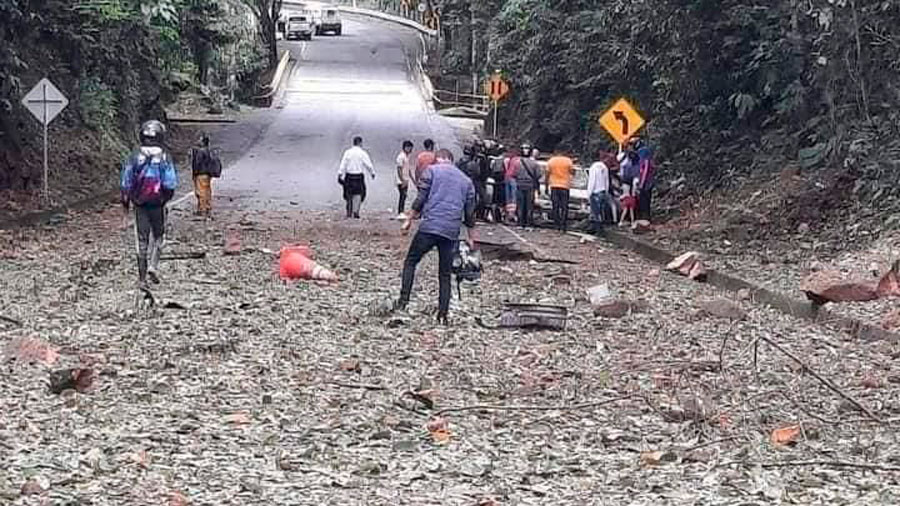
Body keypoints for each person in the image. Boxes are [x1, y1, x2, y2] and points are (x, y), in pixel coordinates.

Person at [397, 149, 476, 324]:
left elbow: (421, 198)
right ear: (451, 160)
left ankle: (403, 301)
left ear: (439, 159)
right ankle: (443, 313)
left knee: (411, 261)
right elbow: (470, 213)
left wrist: (409, 219)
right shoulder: (466, 181)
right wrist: (471, 238)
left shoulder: (431, 171)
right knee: (445, 273)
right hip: (450, 231)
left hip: (430, 226)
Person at [120, 120, 178, 289]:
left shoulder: (134, 155)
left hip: (140, 204)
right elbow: (170, 183)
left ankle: (142, 278)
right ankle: (153, 265)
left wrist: (126, 204)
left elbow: (126, 182)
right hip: (158, 204)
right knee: (159, 237)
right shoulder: (165, 157)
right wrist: (165, 199)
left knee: (142, 239)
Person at [338, 136, 376, 219]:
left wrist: (340, 173)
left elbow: (343, 163)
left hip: (349, 176)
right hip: (359, 176)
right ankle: (356, 211)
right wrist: (372, 173)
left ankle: (349, 211)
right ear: (360, 143)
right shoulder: (363, 153)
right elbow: (368, 164)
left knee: (349, 194)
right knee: (359, 194)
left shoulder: (347, 152)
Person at [190, 134, 221, 217]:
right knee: (207, 190)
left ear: (203, 142)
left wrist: (194, 174)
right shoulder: (208, 151)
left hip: (201, 174)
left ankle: (202, 209)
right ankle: (207, 207)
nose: (197, 141)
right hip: (207, 174)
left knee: (201, 192)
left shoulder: (200, 151)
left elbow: (197, 163)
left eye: (199, 140)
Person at [546, 150, 575, 232]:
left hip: (554, 185)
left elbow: (547, 174)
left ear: (555, 152)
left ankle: (556, 225)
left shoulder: (551, 161)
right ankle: (563, 226)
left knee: (555, 206)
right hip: (565, 186)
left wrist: (546, 186)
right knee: (564, 206)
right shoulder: (568, 161)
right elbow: (572, 172)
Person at [587, 151, 617, 231]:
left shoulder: (593, 167)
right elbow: (607, 181)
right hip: (603, 191)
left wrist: (589, 193)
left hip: (595, 192)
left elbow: (592, 181)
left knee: (595, 212)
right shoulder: (604, 167)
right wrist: (606, 191)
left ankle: (598, 229)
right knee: (601, 211)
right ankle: (600, 228)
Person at [516, 145, 542, 227]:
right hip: (530, 185)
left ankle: (520, 222)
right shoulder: (534, 163)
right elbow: (538, 175)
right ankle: (528, 223)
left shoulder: (517, 162)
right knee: (529, 205)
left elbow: (514, 173)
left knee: (520, 204)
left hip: (520, 184)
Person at [618, 150, 640, 227]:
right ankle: (632, 221)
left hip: (626, 186)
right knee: (631, 209)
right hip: (631, 190)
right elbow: (636, 179)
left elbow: (623, 175)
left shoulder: (626, 164)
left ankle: (621, 221)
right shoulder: (636, 165)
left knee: (626, 208)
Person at [396, 140, 414, 215]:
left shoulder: (406, 157)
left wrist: (413, 179)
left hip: (405, 180)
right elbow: (399, 169)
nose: (411, 150)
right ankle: (400, 212)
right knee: (402, 196)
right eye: (410, 148)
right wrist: (402, 180)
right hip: (401, 180)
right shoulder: (401, 157)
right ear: (406, 147)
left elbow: (408, 169)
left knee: (404, 196)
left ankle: (401, 211)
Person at [637, 146, 655, 221]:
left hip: (645, 183)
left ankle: (645, 218)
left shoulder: (645, 160)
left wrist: (641, 184)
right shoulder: (650, 160)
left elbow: (645, 171)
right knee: (647, 200)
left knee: (644, 200)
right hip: (648, 182)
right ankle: (646, 217)